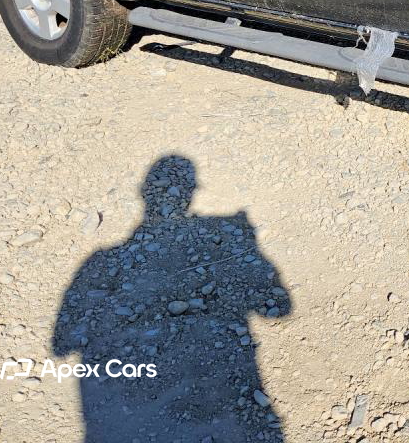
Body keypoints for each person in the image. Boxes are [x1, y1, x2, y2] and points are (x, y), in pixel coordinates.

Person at [52, 156, 291, 442]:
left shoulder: (99, 261)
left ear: (143, 193)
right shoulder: (101, 262)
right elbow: (280, 308)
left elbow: (61, 345)